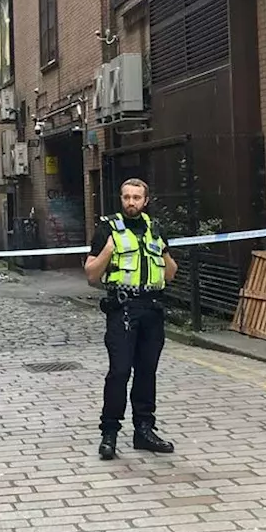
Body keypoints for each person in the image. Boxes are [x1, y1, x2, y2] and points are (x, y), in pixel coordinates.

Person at [84, 178, 177, 460]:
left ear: (145, 200)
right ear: (121, 199)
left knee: (146, 372)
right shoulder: (108, 228)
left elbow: (170, 274)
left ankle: (144, 431)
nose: (131, 202)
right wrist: (108, 251)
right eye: (126, 197)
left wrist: (165, 255)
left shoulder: (155, 229)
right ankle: (109, 434)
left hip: (152, 307)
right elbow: (91, 274)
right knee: (120, 372)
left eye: (137, 197)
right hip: (122, 309)